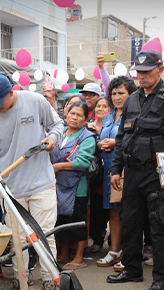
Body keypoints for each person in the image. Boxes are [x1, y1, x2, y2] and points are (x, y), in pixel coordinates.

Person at [0, 72, 64, 290]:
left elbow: (57, 124)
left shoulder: (34, 101)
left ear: (11, 92)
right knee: (16, 241)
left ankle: (50, 284)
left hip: (41, 183)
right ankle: (20, 283)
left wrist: (52, 138)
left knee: (45, 235)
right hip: (11, 189)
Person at [107, 50, 164, 290]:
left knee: (160, 227)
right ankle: (132, 269)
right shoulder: (132, 99)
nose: (141, 76)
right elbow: (122, 137)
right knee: (130, 223)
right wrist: (116, 169)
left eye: (146, 71)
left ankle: (161, 279)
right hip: (133, 172)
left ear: (160, 69)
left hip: (160, 172)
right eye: (138, 72)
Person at [96, 76, 137, 270]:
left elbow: (136, 141)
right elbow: (101, 137)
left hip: (127, 170)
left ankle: (128, 253)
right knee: (113, 211)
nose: (117, 97)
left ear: (131, 94)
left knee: (127, 213)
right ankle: (114, 250)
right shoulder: (110, 116)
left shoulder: (135, 114)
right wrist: (101, 143)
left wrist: (115, 143)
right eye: (113, 93)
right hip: (109, 170)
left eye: (121, 93)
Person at [52, 101, 96, 269]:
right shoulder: (60, 133)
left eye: (79, 115)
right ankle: (63, 253)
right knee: (61, 220)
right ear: (66, 114)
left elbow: (82, 162)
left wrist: (59, 166)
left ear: (85, 120)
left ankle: (78, 258)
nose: (74, 118)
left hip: (78, 186)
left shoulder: (87, 137)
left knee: (77, 220)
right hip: (58, 184)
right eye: (72, 113)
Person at [87, 96, 112, 254]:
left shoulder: (113, 126)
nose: (101, 108)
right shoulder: (89, 127)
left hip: (110, 171)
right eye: (98, 106)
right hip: (95, 174)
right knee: (96, 208)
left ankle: (114, 242)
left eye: (105, 106)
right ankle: (97, 238)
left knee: (113, 209)